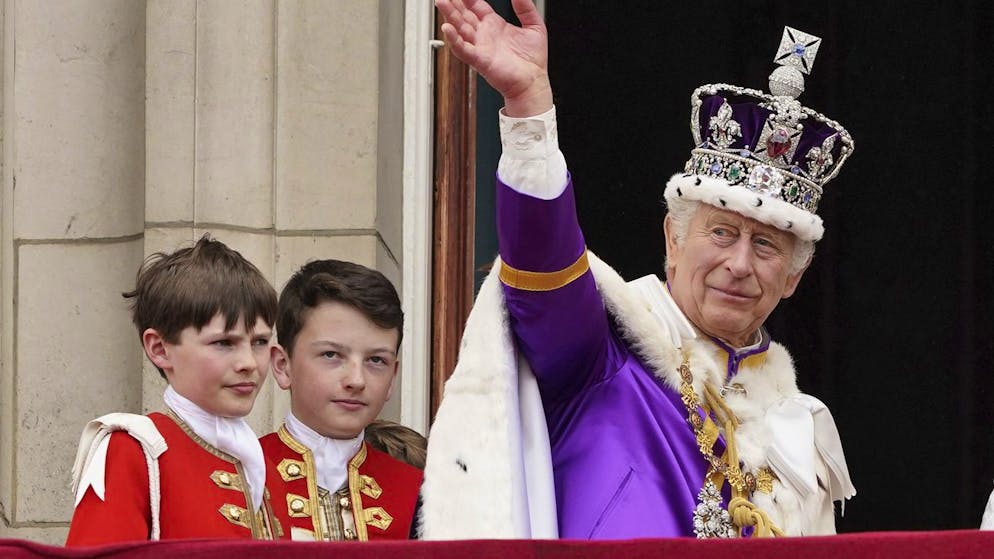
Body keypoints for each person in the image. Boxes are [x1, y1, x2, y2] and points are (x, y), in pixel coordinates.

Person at [422, 0, 855, 539]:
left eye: (766, 245)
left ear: (792, 278)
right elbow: (543, 261)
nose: (739, 264)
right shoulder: (603, 355)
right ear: (673, 239)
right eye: (722, 232)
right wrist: (529, 107)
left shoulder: (800, 428)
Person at [66, 235, 290, 545]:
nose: (249, 363)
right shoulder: (134, 453)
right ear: (160, 349)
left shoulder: (270, 471)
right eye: (224, 343)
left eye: (260, 342)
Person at [260, 259, 422, 541]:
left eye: (376, 360)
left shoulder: (418, 493)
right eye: (331, 355)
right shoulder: (244, 474)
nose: (356, 380)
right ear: (283, 366)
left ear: (392, 378)